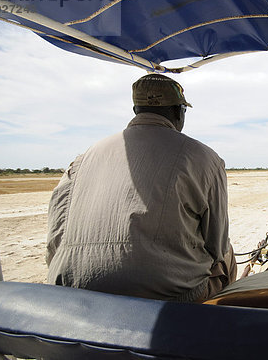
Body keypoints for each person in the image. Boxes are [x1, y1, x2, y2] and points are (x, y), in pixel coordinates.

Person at [46, 73, 236, 302]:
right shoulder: (206, 158)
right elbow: (216, 245)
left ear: (136, 110)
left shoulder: (83, 158)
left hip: (73, 288)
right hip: (170, 297)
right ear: (179, 112)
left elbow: (54, 241)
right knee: (228, 256)